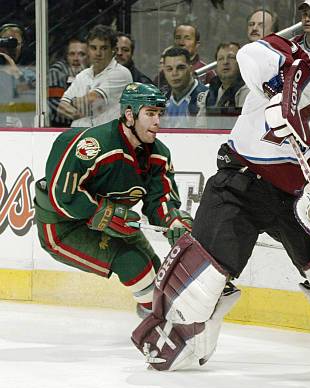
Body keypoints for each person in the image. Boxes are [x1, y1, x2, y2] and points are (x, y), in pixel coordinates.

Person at [131, 34, 310, 371]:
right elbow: (248, 53)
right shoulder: (289, 63)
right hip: (241, 183)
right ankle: (175, 335)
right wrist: (279, 88)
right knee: (199, 283)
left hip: (296, 201)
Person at [33, 82, 193, 318]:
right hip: (62, 227)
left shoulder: (159, 154)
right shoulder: (94, 146)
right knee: (134, 263)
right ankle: (158, 323)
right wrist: (104, 212)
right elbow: (62, 196)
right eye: (150, 114)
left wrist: (173, 222)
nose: (157, 121)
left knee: (158, 272)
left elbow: (159, 199)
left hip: (110, 219)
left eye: (159, 114)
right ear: (129, 114)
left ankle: (152, 315)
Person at [58, 25, 133, 127]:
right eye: (93, 48)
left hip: (107, 138)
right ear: (88, 49)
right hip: (79, 136)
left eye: (104, 48)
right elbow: (61, 108)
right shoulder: (82, 75)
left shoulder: (121, 73)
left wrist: (72, 102)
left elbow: (91, 100)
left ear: (113, 50)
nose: (98, 53)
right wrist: (78, 108)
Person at [195, 42, 249, 128]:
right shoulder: (208, 95)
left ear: (241, 62)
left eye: (231, 57)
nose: (225, 62)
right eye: (220, 59)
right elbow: (200, 129)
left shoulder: (251, 93)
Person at [156, 23, 216, 91]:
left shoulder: (206, 72)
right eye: (178, 38)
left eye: (187, 38)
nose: (181, 43)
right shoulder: (164, 72)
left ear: (197, 44)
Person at [161, 47, 208, 128]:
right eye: (169, 69)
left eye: (180, 68)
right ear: (164, 71)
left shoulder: (207, 97)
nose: (174, 73)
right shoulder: (162, 100)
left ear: (191, 68)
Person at [48, 37, 88, 127]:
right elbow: (55, 101)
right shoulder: (58, 71)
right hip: (59, 127)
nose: (76, 58)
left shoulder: (94, 73)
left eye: (81, 54)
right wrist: (83, 117)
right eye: (72, 54)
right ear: (67, 56)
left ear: (89, 57)